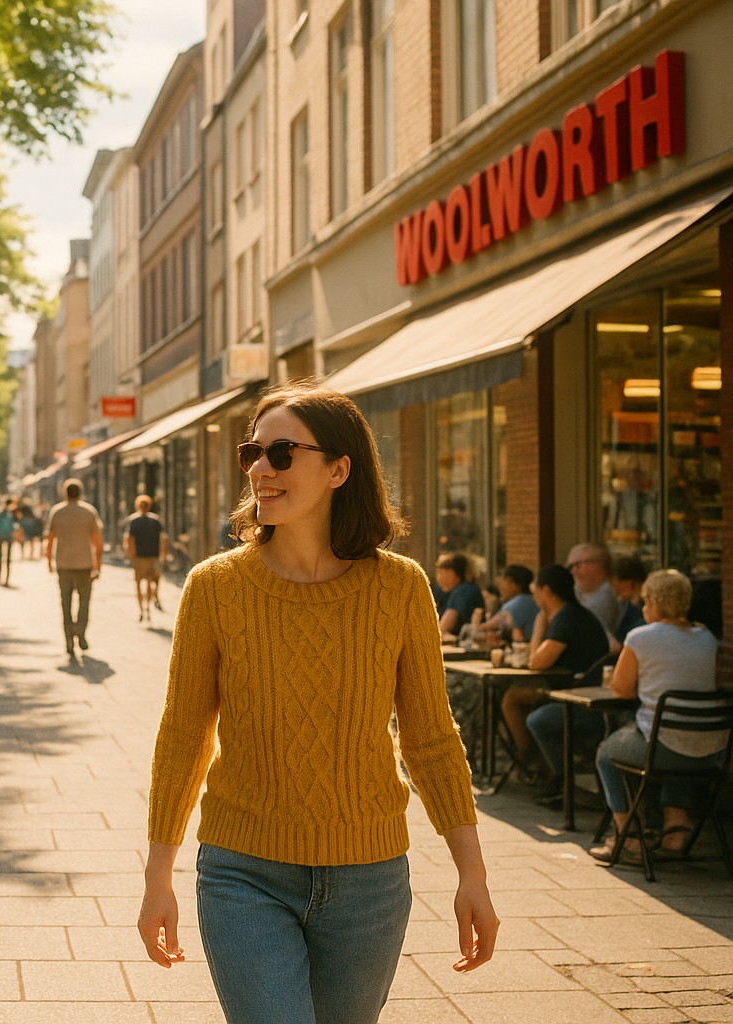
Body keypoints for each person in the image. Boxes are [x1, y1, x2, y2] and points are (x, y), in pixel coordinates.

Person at [138, 383, 497, 1024]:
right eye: (253, 451)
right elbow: (184, 734)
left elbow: (431, 737)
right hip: (243, 871)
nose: (258, 468)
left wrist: (472, 874)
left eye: (281, 452)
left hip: (369, 880)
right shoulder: (214, 587)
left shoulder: (401, 587)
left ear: (338, 469)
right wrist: (157, 874)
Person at [590, 569, 726, 864]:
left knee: (606, 753)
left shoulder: (641, 637)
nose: (642, 607)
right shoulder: (706, 637)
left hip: (663, 748)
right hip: (712, 750)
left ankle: (629, 838)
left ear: (656, 601)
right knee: (675, 734)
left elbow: (622, 689)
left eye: (645, 601)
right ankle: (675, 830)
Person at [506, 563, 612, 799]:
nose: (534, 595)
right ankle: (538, 765)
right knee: (517, 695)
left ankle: (543, 769)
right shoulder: (573, 613)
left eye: (536, 590)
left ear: (547, 590)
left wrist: (540, 625)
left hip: (584, 702)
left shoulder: (566, 617)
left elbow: (537, 662)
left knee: (518, 703)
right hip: (572, 691)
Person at [45, 479, 103, 659]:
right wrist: (97, 564)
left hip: (64, 564)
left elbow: (50, 538)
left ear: (65, 493)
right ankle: (80, 632)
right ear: (80, 492)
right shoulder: (89, 511)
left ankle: (69, 639)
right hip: (84, 564)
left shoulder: (57, 511)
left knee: (66, 604)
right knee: (84, 602)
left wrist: (49, 560)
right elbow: (97, 540)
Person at [123, 494, 168, 623]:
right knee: (151, 581)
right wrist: (163, 555)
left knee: (138, 584)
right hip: (153, 556)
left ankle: (142, 610)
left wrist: (131, 556)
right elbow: (164, 539)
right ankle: (148, 605)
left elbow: (129, 540)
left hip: (140, 558)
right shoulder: (155, 520)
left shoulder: (134, 520)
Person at [566, 542, 621, 637]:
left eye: (578, 565)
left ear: (599, 565)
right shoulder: (581, 589)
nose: (573, 571)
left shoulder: (605, 596)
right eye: (570, 567)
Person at [482, 564, 540, 643]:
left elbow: (487, 627)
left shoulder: (518, 603)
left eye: (504, 581)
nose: (500, 586)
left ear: (512, 583)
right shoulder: (532, 600)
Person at [434, 552, 485, 639]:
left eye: (440, 573)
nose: (437, 578)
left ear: (451, 573)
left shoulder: (462, 591)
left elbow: (442, 628)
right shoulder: (463, 589)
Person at [608, 554, 648, 649]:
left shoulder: (649, 608)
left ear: (628, 585)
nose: (619, 598)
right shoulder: (631, 607)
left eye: (619, 591)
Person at [0, 498, 18, 585]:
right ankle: (1, 577)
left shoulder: (10, 513)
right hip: (2, 536)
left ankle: (5, 578)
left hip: (6, 536)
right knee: (2, 558)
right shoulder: (3, 513)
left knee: (5, 558)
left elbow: (14, 524)